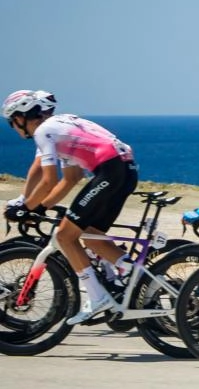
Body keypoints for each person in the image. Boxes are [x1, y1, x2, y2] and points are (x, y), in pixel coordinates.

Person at [4, 91, 139, 324]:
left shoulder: (44, 132)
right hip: (126, 170)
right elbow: (71, 178)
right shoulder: (60, 126)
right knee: (92, 237)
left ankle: (98, 298)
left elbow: (49, 181)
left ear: (20, 117)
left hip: (110, 171)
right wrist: (40, 208)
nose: (14, 128)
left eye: (11, 123)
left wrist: (25, 208)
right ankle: (140, 279)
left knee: (65, 236)